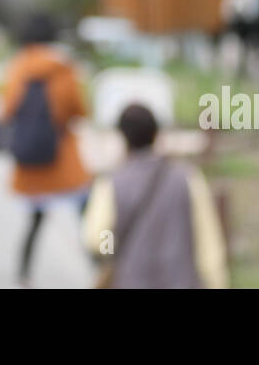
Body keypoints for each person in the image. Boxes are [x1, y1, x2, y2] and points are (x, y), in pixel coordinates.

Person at [81, 102, 228, 289]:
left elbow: (95, 238)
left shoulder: (111, 183)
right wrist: (216, 282)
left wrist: (112, 248)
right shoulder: (188, 177)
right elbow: (209, 246)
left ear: (122, 137)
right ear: (156, 134)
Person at [1, 13, 91, 286]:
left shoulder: (18, 67)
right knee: (86, 214)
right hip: (62, 158)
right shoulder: (64, 68)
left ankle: (23, 273)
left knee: (35, 219)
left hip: (30, 160)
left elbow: (6, 110)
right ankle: (99, 267)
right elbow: (79, 110)